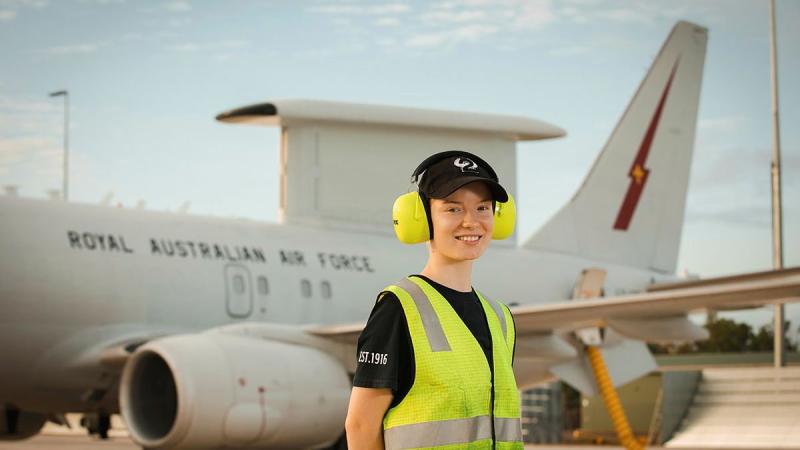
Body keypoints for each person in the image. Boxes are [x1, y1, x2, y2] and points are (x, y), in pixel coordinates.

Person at [345, 151, 522, 450]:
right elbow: (360, 425)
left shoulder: (501, 318)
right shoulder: (399, 308)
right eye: (453, 210)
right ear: (422, 219)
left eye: (482, 208)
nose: (471, 222)